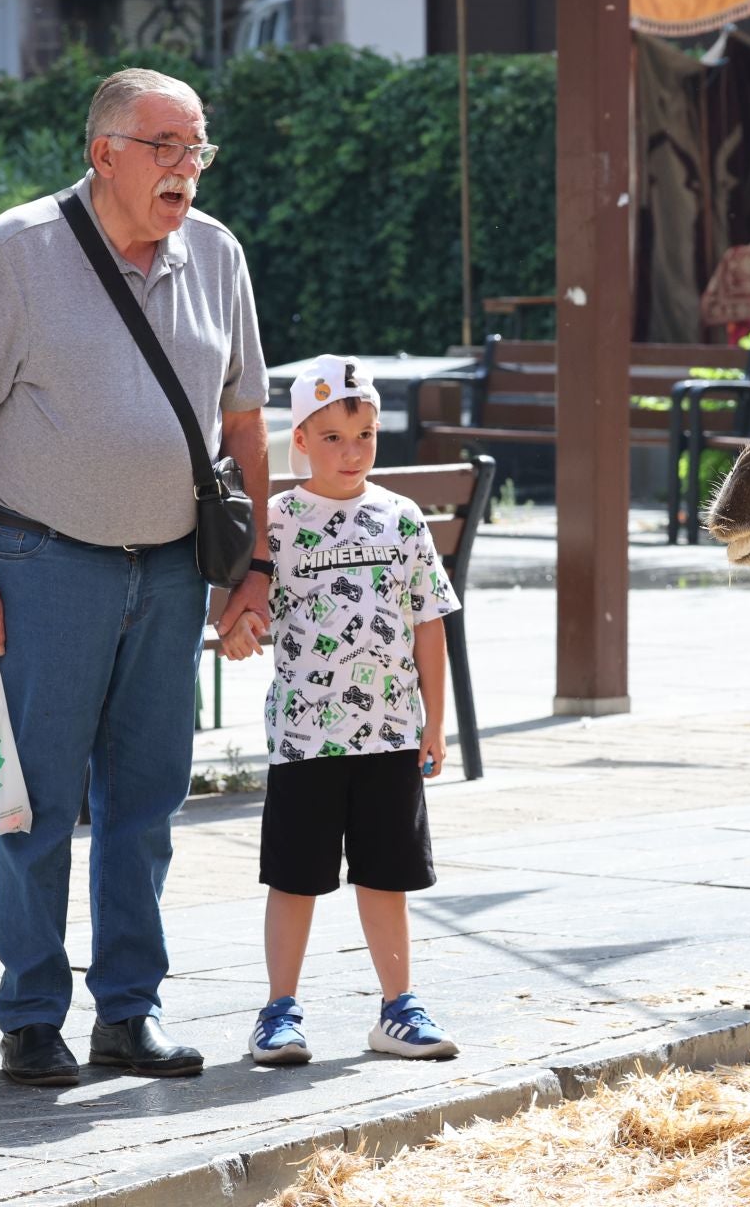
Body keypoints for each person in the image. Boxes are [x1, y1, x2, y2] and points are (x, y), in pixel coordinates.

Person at [0, 68, 271, 1086]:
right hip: (45, 562)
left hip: (172, 567)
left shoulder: (218, 255)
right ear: (104, 151)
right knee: (30, 801)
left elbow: (245, 421)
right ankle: (33, 1014)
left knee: (147, 797)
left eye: (197, 146)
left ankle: (129, 1007)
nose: (185, 168)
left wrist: (253, 566)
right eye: (164, 145)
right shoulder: (18, 251)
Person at [220, 355, 461, 1065]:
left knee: (388, 875)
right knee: (295, 878)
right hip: (304, 741)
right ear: (299, 439)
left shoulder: (401, 517)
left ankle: (398, 1009)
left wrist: (435, 722)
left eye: (364, 434)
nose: (350, 452)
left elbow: (429, 622)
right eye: (331, 437)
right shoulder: (278, 522)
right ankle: (279, 1011)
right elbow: (244, 616)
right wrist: (239, 632)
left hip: (389, 736)